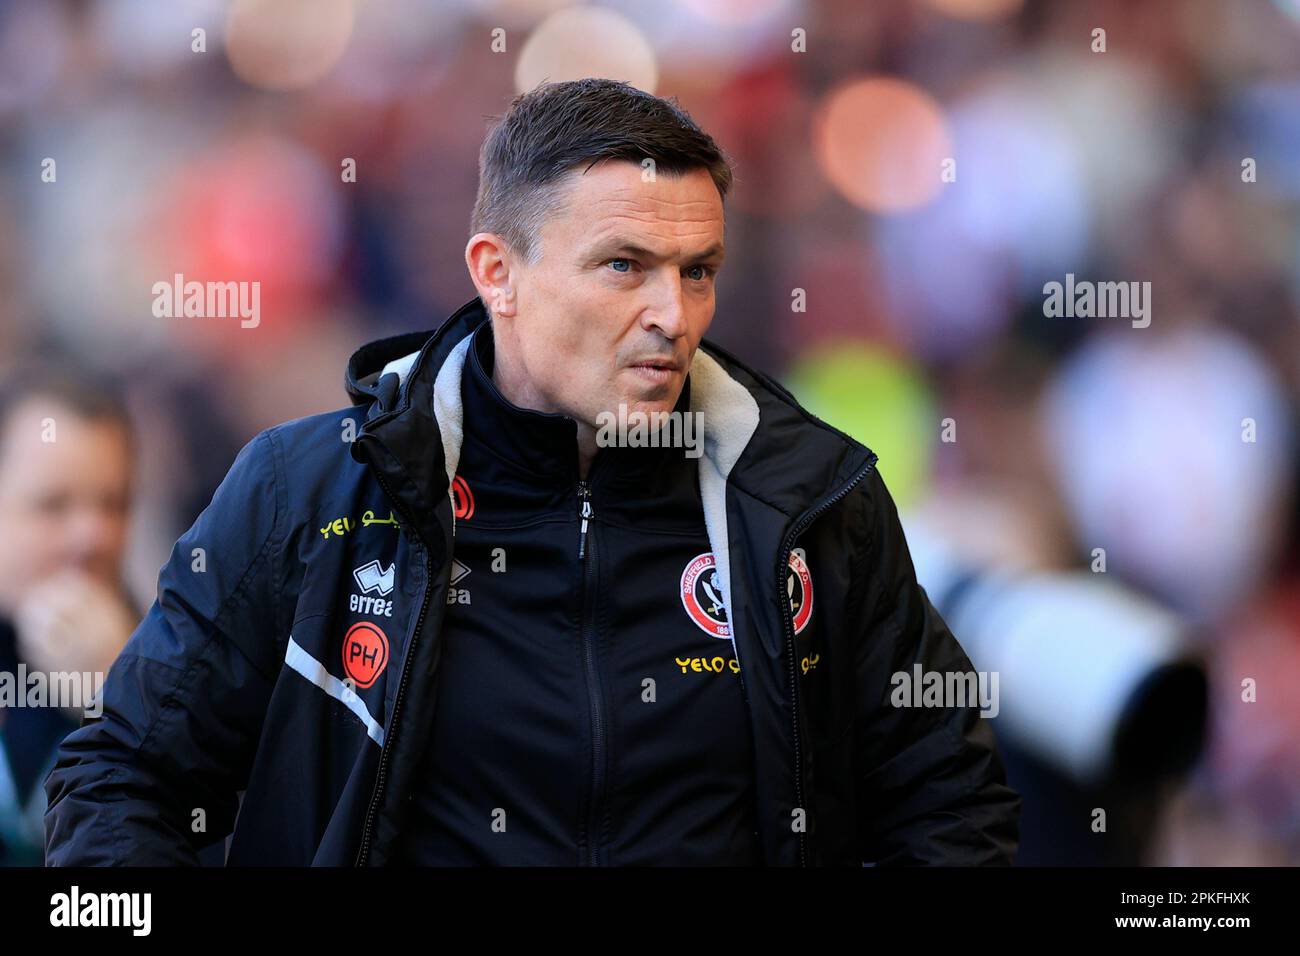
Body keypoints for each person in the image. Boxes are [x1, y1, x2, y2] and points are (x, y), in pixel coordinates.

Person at [44, 78, 1019, 866]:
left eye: (698, 270)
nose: (672, 314)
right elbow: (125, 775)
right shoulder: (311, 494)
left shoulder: (810, 502)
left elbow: (949, 792)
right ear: (495, 272)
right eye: (624, 266)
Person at [0, 368, 138, 864]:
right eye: (52, 506)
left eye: (113, 504)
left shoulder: (168, 655)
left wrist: (117, 702)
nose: (92, 537)